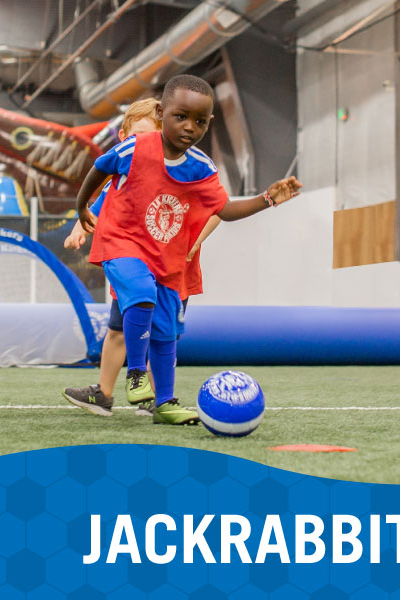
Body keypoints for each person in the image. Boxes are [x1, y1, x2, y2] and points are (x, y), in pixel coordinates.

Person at [72, 74, 302, 424]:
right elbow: (99, 168)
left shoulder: (201, 167)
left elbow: (224, 210)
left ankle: (164, 403)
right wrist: (81, 207)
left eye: (199, 121)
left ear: (209, 123)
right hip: (120, 242)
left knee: (165, 333)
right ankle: (135, 374)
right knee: (140, 291)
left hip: (166, 258)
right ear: (163, 113)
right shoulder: (135, 148)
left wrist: (268, 198)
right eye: (181, 117)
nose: (189, 127)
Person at [62, 98, 220, 417]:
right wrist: (81, 226)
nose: (145, 143)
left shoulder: (187, 170)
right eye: (138, 136)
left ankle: (157, 399)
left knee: (163, 334)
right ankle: (104, 393)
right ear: (124, 137)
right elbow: (99, 204)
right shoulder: (126, 175)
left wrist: (194, 242)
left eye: (153, 136)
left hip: (173, 270)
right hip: (136, 267)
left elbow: (219, 208)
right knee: (119, 328)